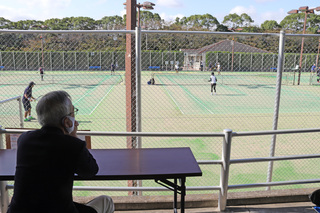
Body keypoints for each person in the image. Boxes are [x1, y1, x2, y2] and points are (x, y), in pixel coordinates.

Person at [8, 90, 115, 213]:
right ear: (67, 121)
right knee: (106, 201)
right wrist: (74, 135)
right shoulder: (73, 146)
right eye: (73, 112)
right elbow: (90, 171)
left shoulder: (24, 139)